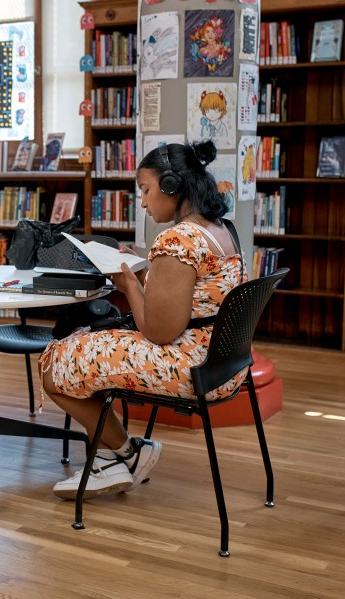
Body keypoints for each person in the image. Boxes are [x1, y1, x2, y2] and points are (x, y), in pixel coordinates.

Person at [38, 140, 246, 500]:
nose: (145, 202)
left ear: (171, 186)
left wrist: (129, 283)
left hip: (188, 366)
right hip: (224, 364)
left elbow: (159, 331)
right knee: (88, 345)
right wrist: (148, 267)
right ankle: (107, 458)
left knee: (54, 365)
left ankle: (129, 454)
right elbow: (195, 295)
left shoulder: (177, 240)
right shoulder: (220, 229)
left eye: (146, 190)